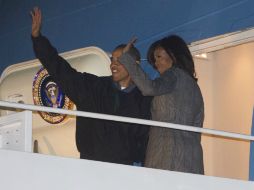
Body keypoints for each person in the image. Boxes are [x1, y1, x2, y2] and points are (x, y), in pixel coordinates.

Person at [30, 7, 152, 165]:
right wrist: (37, 38)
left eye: (120, 60)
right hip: (89, 167)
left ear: (134, 64)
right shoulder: (93, 87)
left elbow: (147, 140)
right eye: (112, 60)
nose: (113, 64)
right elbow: (60, 70)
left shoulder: (145, 99)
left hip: (125, 172)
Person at [119, 35, 204, 174]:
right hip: (192, 161)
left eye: (158, 56)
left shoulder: (173, 75)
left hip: (167, 157)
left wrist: (127, 58)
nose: (156, 63)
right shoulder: (195, 87)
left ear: (173, 55)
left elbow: (149, 88)